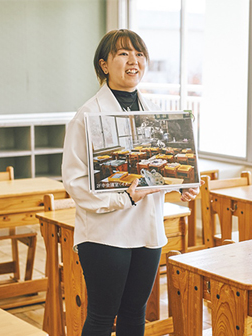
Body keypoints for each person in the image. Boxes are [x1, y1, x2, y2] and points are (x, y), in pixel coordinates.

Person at [63, 29, 200, 336]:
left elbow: (155, 168)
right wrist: (124, 198)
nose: (133, 61)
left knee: (134, 313)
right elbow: (74, 181)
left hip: (147, 230)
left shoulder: (154, 115)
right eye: (123, 54)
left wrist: (181, 185)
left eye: (139, 54)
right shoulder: (86, 116)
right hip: (105, 234)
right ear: (104, 65)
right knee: (101, 315)